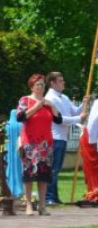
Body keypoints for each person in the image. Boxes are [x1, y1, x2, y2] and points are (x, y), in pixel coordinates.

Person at [17, 73, 62, 216]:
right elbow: (20, 117)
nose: (41, 87)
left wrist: (52, 106)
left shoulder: (47, 103)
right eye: (38, 85)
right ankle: (29, 204)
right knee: (29, 175)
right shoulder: (25, 100)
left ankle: (42, 205)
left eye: (43, 85)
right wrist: (37, 106)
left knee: (43, 175)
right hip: (29, 144)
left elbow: (58, 120)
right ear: (32, 87)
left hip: (45, 145)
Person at [45, 72, 84, 205]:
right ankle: (49, 196)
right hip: (55, 137)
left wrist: (83, 104)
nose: (63, 83)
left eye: (63, 80)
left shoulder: (64, 97)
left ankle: (54, 196)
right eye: (60, 81)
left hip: (63, 137)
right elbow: (60, 120)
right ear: (52, 83)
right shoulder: (50, 98)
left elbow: (74, 111)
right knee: (53, 168)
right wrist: (79, 119)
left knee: (57, 169)